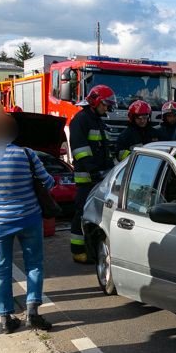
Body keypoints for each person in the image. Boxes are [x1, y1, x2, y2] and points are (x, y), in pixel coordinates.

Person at [0, 100, 55, 334]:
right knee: (34, 265)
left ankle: (5, 318)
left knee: (1, 269)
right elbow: (47, 182)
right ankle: (32, 313)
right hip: (28, 218)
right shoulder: (26, 154)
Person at [68, 85, 114, 263]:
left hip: (99, 178)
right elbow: (80, 150)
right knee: (81, 212)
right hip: (86, 178)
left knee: (97, 215)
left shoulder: (98, 120)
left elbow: (104, 150)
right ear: (94, 101)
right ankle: (78, 251)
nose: (107, 108)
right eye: (105, 104)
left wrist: (110, 167)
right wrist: (93, 170)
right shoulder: (80, 120)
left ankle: (93, 249)